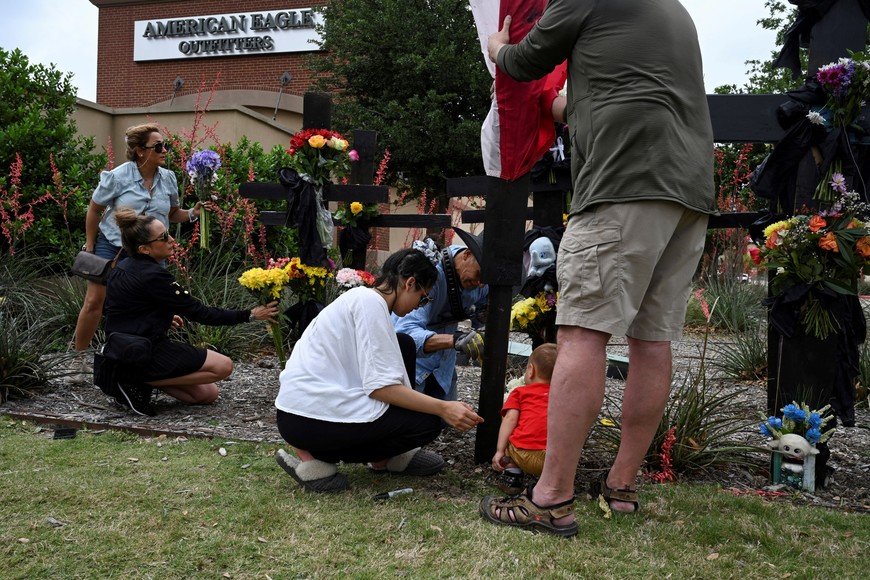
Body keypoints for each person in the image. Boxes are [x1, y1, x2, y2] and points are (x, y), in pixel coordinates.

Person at [480, 1, 717, 537]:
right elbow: (617, 96)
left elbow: (521, 60)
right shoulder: (671, 10)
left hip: (621, 183)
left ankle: (551, 496)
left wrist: (495, 47)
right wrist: (555, 106)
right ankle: (622, 485)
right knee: (651, 339)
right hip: (687, 190)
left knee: (582, 333)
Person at [274, 248, 484, 493]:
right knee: (430, 420)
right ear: (409, 283)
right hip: (307, 419)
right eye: (423, 298)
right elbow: (381, 388)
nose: (419, 307)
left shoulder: (364, 300)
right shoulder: (370, 303)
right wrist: (444, 408)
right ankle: (321, 459)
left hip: (302, 413)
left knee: (404, 343)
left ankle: (382, 457)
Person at [102, 207, 279, 416]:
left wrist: (161, 317)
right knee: (223, 367)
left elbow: (117, 309)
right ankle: (132, 378)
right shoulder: (153, 276)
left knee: (206, 394)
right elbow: (201, 313)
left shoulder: (121, 266)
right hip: (145, 348)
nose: (172, 240)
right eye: (164, 237)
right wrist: (250, 315)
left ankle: (136, 378)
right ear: (144, 249)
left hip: (122, 346)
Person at [70, 123, 203, 383]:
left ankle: (140, 360)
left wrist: (193, 214)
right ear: (140, 151)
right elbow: (95, 209)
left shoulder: (169, 178)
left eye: (165, 145)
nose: (165, 149)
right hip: (113, 245)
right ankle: (77, 359)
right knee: (95, 301)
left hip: (149, 252)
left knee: (153, 307)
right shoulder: (118, 176)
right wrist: (90, 245)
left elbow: (172, 214)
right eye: (158, 146)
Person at [393, 227, 489, 401]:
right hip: (413, 365)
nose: (481, 284)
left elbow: (481, 315)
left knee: (444, 422)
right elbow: (404, 334)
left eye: (486, 280)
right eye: (479, 275)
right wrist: (455, 340)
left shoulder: (479, 282)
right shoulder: (431, 272)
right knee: (413, 423)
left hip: (444, 365)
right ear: (467, 254)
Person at [491, 343, 558, 495]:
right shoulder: (563, 397)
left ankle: (512, 478)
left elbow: (510, 420)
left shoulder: (520, 393)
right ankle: (552, 485)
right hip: (554, 459)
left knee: (510, 431)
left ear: (531, 370)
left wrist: (500, 450)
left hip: (523, 454)